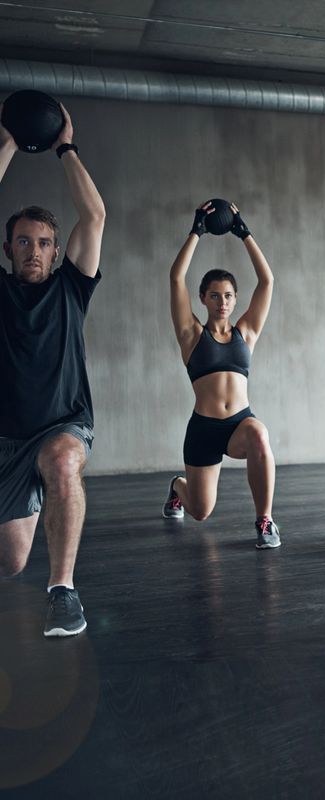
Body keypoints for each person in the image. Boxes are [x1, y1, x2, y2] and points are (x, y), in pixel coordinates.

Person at [0, 103, 105, 635]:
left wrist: (65, 147)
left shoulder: (72, 286)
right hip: (8, 439)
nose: (34, 251)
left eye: (43, 243)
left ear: (57, 250)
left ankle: (62, 591)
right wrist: (11, 142)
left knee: (63, 461)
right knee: (11, 561)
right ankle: (36, 494)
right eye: (23, 242)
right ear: (9, 249)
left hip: (63, 424)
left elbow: (95, 217)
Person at [162, 200, 280, 549]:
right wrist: (196, 232)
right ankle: (177, 487)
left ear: (235, 298)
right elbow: (175, 278)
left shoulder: (247, 332)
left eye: (228, 295)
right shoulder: (191, 335)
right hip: (204, 429)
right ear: (203, 298)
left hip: (239, 424)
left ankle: (265, 520)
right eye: (215, 295)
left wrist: (243, 232)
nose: (223, 302)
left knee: (260, 434)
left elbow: (267, 280)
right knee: (200, 511)